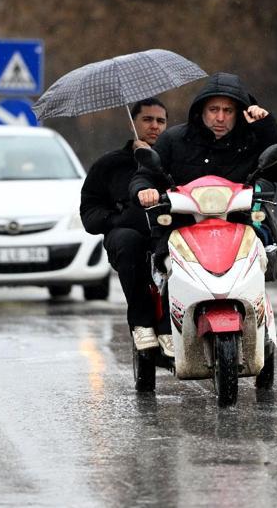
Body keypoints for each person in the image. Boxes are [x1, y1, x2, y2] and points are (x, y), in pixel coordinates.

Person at [80, 97, 173, 358]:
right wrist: (116, 219)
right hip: (127, 237)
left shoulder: (174, 160)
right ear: (133, 123)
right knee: (128, 243)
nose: (154, 126)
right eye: (147, 120)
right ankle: (142, 324)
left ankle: (171, 327)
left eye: (161, 121)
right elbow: (89, 211)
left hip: (170, 232)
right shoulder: (109, 164)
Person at [131, 71, 277, 209]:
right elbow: (144, 176)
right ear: (201, 110)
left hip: (241, 227)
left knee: (269, 246)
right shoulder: (173, 139)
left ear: (239, 113)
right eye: (213, 110)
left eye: (228, 111)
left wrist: (267, 127)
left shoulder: (251, 141)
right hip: (179, 227)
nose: (220, 118)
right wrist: (145, 190)